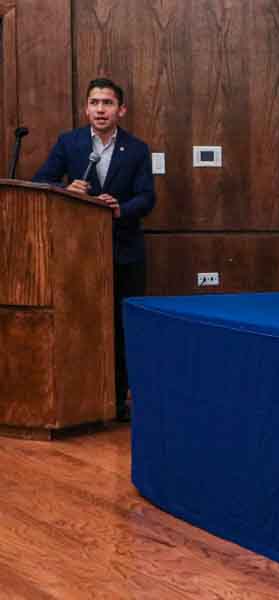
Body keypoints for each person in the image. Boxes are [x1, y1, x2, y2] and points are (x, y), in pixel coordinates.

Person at [34, 78, 155, 422]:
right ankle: (82, 403)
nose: (101, 109)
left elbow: (147, 198)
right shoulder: (69, 143)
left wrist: (120, 208)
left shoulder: (136, 149)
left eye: (108, 103)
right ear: (86, 108)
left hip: (124, 251)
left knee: (121, 327)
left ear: (121, 110)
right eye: (95, 103)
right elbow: (41, 181)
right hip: (79, 255)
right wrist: (66, 188)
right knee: (82, 326)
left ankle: (118, 402)